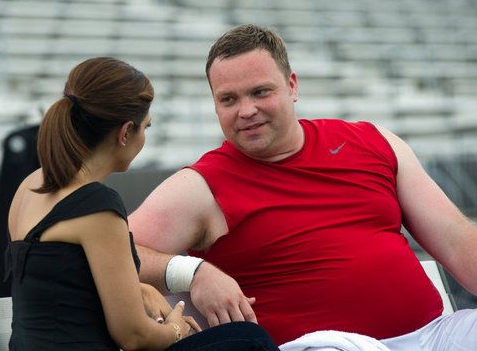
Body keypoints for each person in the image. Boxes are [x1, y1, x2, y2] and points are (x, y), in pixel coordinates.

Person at [129, 25, 477, 350]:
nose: (246, 110)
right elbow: (112, 251)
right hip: (325, 344)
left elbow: (456, 240)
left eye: (260, 92)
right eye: (229, 99)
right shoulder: (201, 185)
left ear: (292, 86)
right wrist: (193, 272)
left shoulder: (373, 142)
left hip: (435, 334)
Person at [4, 56, 280, 351]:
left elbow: (57, 285)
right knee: (249, 340)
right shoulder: (96, 206)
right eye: (145, 127)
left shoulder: (31, 184)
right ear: (125, 133)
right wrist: (177, 328)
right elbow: (134, 336)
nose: (144, 137)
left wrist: (140, 289)